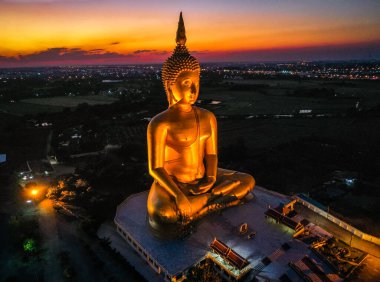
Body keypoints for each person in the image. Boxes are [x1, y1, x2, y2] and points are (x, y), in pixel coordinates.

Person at [147, 12, 255, 237]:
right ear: (170, 84)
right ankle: (211, 204)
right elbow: (155, 168)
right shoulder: (160, 122)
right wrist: (177, 195)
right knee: (162, 214)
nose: (193, 90)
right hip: (173, 184)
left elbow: (212, 156)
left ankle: (196, 210)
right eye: (186, 83)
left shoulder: (207, 117)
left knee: (247, 181)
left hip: (204, 180)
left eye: (196, 82)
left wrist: (211, 178)